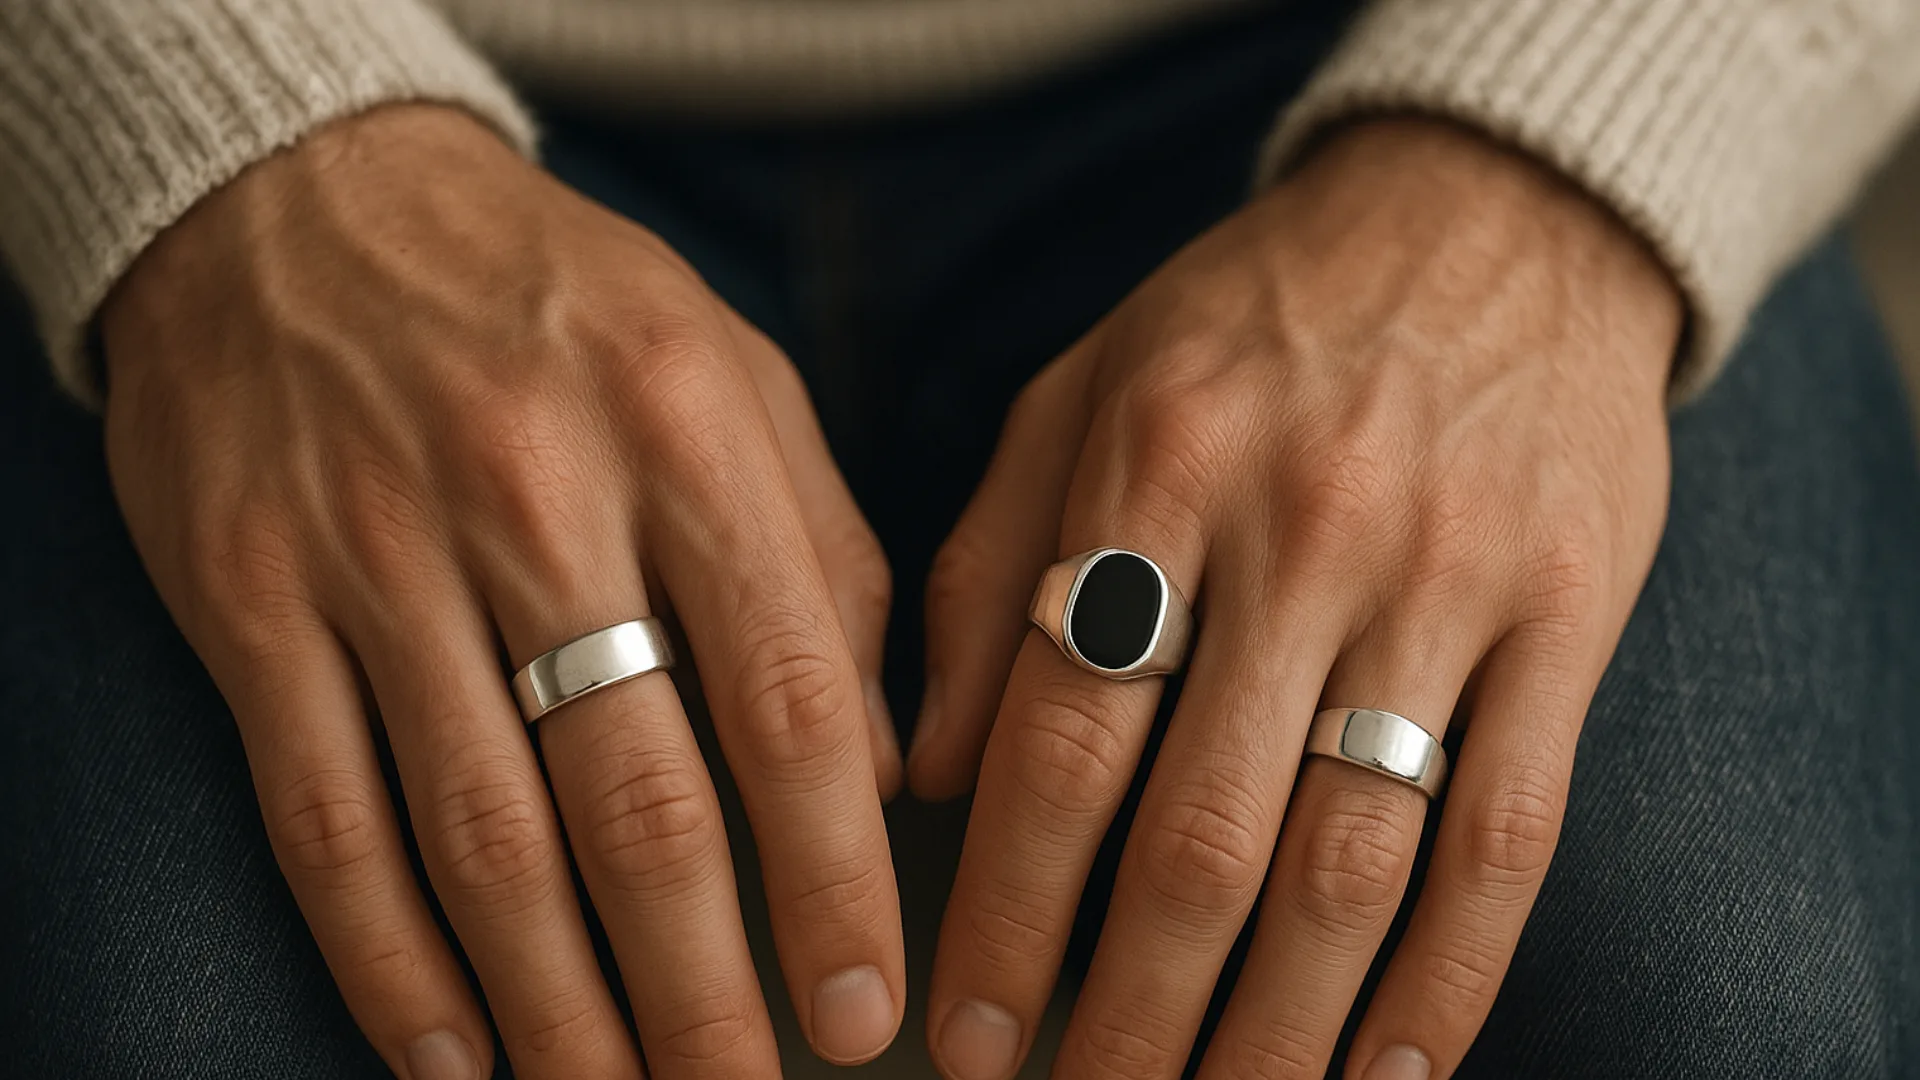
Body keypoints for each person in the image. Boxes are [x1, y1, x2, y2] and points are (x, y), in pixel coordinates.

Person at [3, 2, 1918, 1078]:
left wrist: (1557, 169)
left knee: (1745, 1011)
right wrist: (218, 132)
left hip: (1425, 67)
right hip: (310, 91)